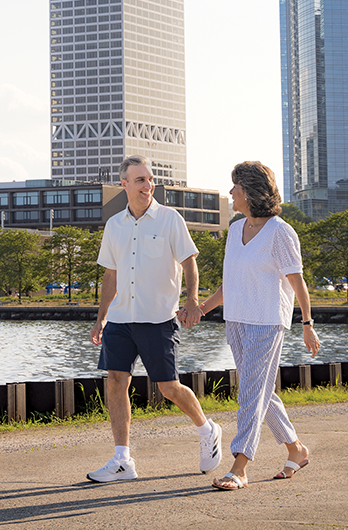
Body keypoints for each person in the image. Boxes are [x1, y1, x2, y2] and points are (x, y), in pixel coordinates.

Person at [86, 155, 222, 482]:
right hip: (120, 319)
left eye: (149, 179)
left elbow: (189, 263)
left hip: (158, 319)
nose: (147, 186)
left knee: (169, 387)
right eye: (140, 180)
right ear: (124, 184)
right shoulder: (114, 224)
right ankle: (122, 460)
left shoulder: (170, 219)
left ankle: (207, 430)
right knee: (116, 382)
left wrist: (192, 300)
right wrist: (101, 318)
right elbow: (109, 277)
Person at [196, 161, 321, 491]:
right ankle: (296, 449)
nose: (230, 192)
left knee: (250, 391)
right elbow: (230, 283)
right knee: (261, 390)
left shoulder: (281, 232)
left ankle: (240, 466)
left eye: (235, 186)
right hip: (236, 319)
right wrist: (201, 308)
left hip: (267, 322)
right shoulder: (236, 229)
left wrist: (307, 324)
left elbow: (297, 282)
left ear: (250, 192)